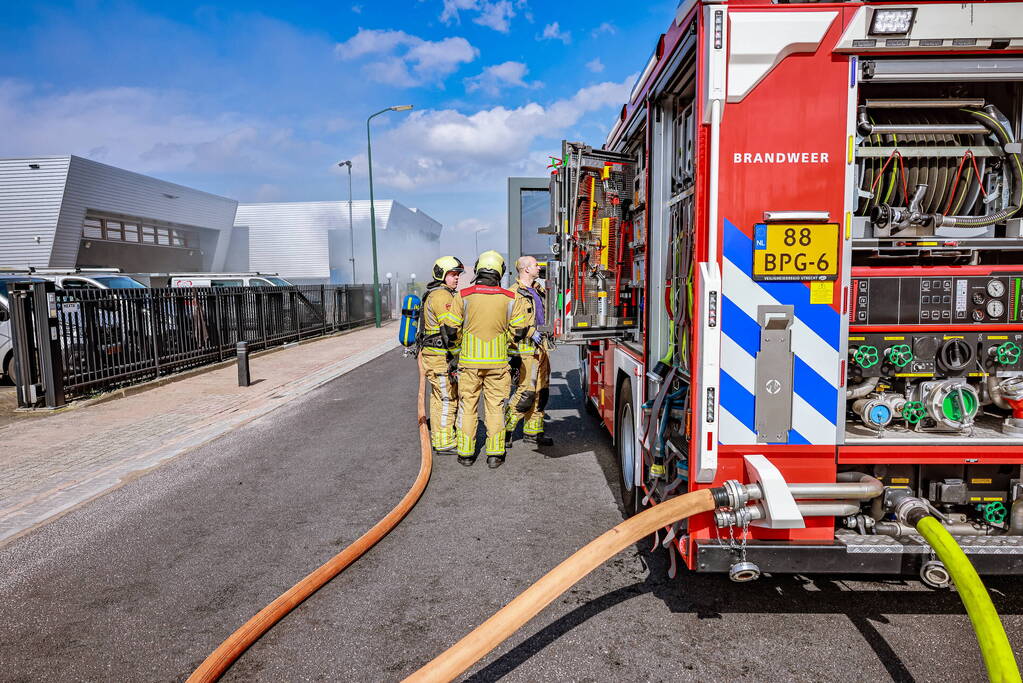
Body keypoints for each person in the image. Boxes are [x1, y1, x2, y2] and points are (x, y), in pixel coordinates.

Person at [451, 250, 532, 468]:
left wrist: (456, 352)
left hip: (468, 364)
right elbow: (519, 332)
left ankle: (466, 454)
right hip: (498, 364)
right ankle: (495, 454)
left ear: (478, 270)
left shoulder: (463, 295)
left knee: (468, 407)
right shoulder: (510, 298)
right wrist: (511, 349)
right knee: (495, 407)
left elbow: (449, 331)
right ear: (500, 272)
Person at [505, 255, 553, 448]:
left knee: (542, 392)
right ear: (525, 269)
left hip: (541, 348)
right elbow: (510, 322)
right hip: (525, 349)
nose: (539, 267)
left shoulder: (538, 290)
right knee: (526, 393)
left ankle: (533, 432)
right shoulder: (513, 293)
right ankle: (505, 430)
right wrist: (531, 331)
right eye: (535, 265)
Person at [420, 256, 464, 455]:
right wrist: (456, 358)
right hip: (440, 358)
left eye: (457, 275)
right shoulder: (442, 296)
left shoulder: (437, 294)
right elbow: (450, 330)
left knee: (439, 398)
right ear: (442, 275)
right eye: (453, 274)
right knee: (447, 398)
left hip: (434, 356)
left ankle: (440, 437)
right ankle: (445, 442)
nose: (456, 278)